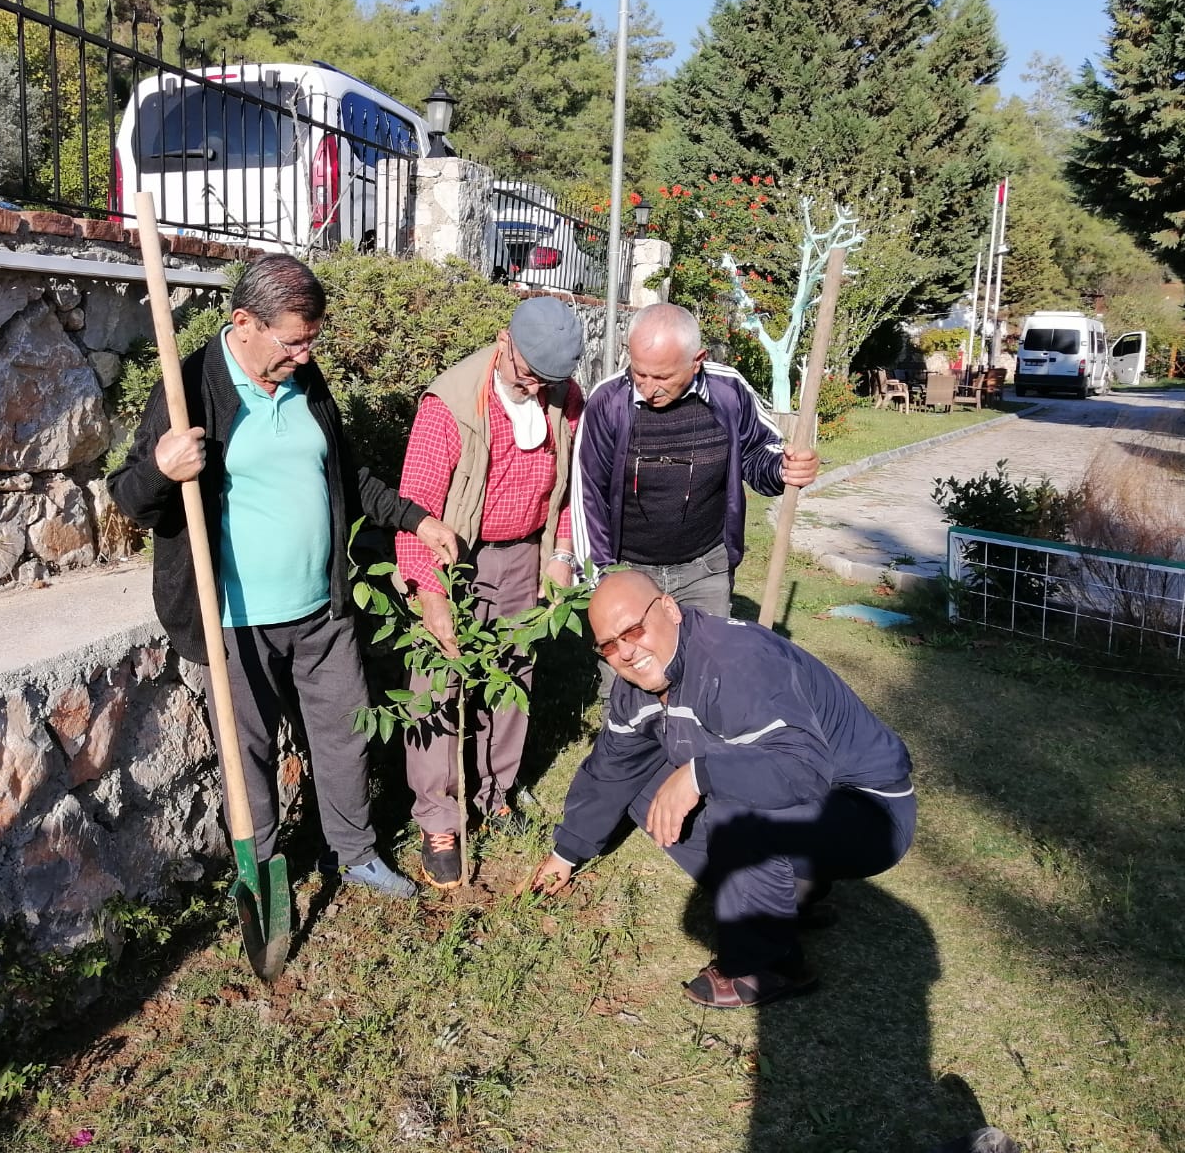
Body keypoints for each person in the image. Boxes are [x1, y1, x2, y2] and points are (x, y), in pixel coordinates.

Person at [108, 254, 458, 899]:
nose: (304, 354)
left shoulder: (303, 379)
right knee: (250, 756)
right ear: (245, 322)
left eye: (311, 341)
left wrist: (415, 519)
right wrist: (162, 467)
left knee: (345, 734)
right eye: (294, 341)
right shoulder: (189, 386)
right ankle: (262, 869)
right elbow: (131, 497)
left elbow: (342, 476)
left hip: (321, 608)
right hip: (235, 620)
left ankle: (352, 853)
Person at [530, 570, 917, 1008]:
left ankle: (768, 962)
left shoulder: (737, 661)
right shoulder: (636, 688)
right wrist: (567, 852)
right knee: (642, 792)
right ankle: (784, 894)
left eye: (633, 630)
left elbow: (802, 768)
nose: (626, 651)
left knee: (737, 813)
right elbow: (611, 768)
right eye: (609, 645)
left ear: (670, 610)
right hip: (808, 805)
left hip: (867, 807)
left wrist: (699, 774)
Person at [395, 295, 586, 888]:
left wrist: (560, 554)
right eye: (528, 374)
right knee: (438, 679)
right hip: (456, 557)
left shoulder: (565, 398)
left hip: (524, 553)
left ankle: (494, 791)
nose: (535, 389)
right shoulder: (449, 405)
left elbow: (572, 482)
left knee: (511, 672)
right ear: (505, 343)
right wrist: (430, 594)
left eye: (547, 381)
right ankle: (439, 817)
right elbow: (415, 511)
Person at [571, 302, 820, 621]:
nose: (648, 389)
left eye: (661, 377)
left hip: (705, 570)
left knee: (705, 666)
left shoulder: (728, 391)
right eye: (639, 373)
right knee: (629, 669)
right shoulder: (608, 403)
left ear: (697, 361)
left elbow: (759, 452)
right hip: (628, 570)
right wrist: (603, 581)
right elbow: (587, 498)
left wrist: (783, 468)